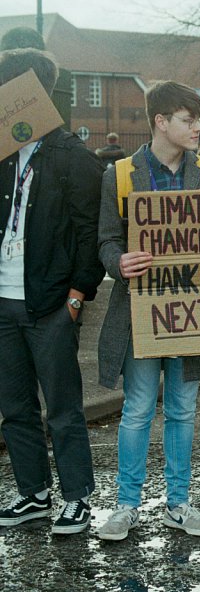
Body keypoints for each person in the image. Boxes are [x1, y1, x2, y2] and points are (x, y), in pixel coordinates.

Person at [94, 80, 200, 542]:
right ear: (160, 121)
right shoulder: (119, 175)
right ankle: (127, 505)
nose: (197, 128)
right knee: (136, 409)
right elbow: (106, 240)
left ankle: (178, 503)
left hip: (190, 307)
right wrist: (119, 262)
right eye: (188, 120)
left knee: (182, 408)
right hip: (141, 308)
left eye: (198, 121)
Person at [0, 49, 105, 534]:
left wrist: (78, 296)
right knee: (14, 406)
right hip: (4, 301)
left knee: (62, 406)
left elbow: (88, 235)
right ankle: (34, 494)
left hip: (51, 305)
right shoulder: (2, 154)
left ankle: (77, 497)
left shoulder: (73, 157)